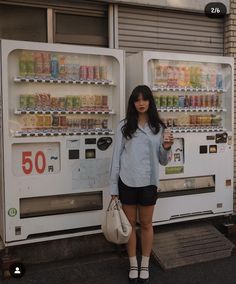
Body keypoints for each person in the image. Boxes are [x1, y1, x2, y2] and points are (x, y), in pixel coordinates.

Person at [109, 85, 173, 284]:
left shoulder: (159, 128)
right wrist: (113, 189)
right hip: (127, 181)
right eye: (137, 100)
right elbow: (116, 159)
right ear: (132, 103)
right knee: (129, 226)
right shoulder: (124, 126)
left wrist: (166, 147)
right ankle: (133, 264)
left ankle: (144, 263)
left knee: (145, 224)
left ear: (150, 102)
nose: (141, 103)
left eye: (144, 99)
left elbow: (163, 160)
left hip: (148, 182)